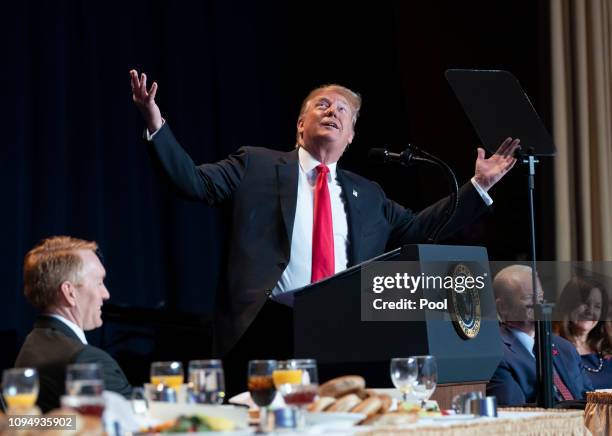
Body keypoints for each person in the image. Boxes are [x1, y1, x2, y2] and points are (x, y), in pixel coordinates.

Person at [130, 70, 520, 392]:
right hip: (266, 330)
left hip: (343, 334)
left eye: (344, 111)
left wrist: (477, 187)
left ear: (350, 135)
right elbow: (192, 183)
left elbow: (418, 229)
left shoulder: (368, 195)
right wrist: (155, 123)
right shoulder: (257, 165)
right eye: (323, 105)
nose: (333, 110)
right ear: (301, 125)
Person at [15, 236, 131, 412]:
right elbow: (132, 426)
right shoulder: (87, 360)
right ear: (70, 292)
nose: (106, 294)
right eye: (99, 282)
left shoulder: (32, 345)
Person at [487, 265, 593, 406]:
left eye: (540, 296)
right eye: (529, 298)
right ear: (502, 307)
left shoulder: (565, 348)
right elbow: (514, 412)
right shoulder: (495, 354)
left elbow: (592, 402)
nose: (539, 304)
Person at [553, 276, 612, 389]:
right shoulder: (553, 349)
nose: (590, 311)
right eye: (585, 303)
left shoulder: (608, 348)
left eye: (597, 306)